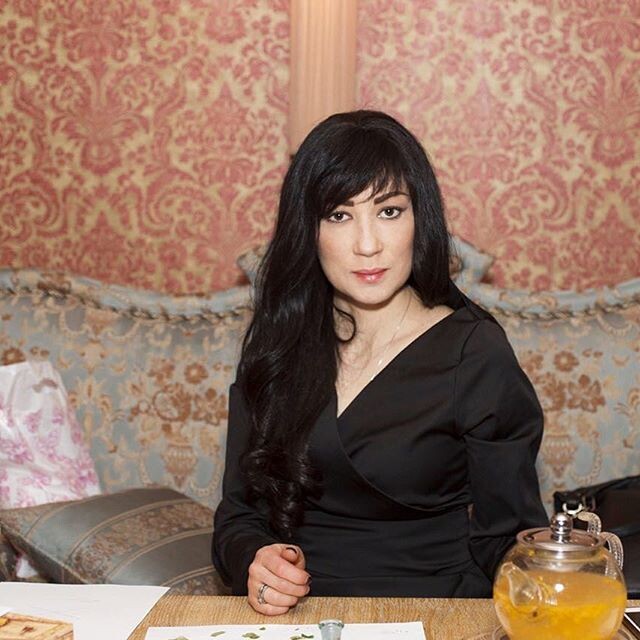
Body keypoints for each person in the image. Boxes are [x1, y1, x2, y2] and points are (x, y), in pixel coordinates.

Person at [212, 110, 547, 614]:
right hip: (297, 617)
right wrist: (255, 560)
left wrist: (557, 584)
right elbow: (239, 516)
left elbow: (509, 539)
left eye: (389, 211)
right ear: (308, 229)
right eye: (339, 215)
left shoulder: (474, 352)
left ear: (419, 219)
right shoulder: (281, 339)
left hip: (432, 613)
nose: (367, 245)